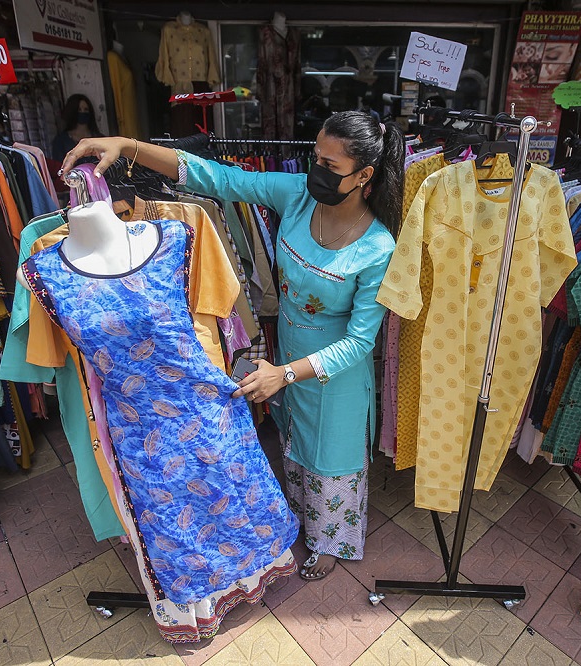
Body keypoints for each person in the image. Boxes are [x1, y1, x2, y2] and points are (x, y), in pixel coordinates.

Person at [60, 111, 405, 581]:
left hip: (333, 374)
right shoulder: (297, 196)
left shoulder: (378, 247)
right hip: (287, 353)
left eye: (330, 165)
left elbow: (360, 341)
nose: (316, 171)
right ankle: (304, 517)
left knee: (332, 455)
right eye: (315, 158)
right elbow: (219, 178)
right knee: (295, 438)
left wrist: (284, 373)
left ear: (363, 175)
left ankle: (332, 541)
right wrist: (130, 146)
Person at [51, 95, 102, 160]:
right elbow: (58, 163)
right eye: (79, 110)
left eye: (86, 109)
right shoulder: (61, 141)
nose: (83, 112)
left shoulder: (99, 138)